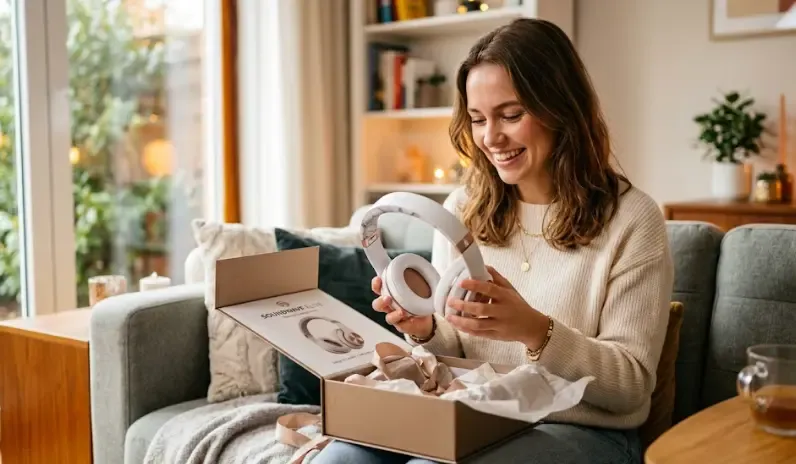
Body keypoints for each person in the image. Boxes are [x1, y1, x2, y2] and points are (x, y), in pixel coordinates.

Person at [314, 17, 673, 464]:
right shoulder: (462, 208)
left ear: (561, 108)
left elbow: (632, 386)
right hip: (470, 411)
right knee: (337, 461)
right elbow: (456, 351)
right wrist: (424, 330)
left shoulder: (633, 220)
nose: (490, 137)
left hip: (579, 431)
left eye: (511, 115)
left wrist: (533, 330)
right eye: (478, 118)